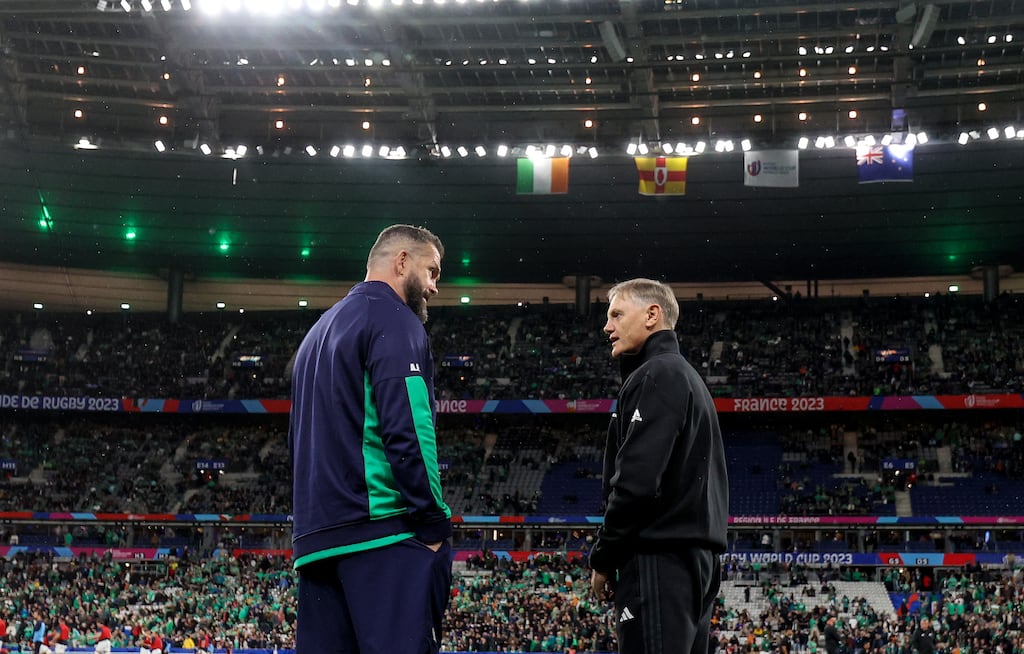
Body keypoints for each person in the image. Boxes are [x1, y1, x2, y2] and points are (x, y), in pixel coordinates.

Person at [290, 224, 453, 654]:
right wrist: (434, 523)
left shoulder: (317, 333)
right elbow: (410, 430)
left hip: (317, 538)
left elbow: (298, 438)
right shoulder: (396, 321)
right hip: (383, 535)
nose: (435, 287)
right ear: (402, 261)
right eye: (432, 271)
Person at [588, 278, 729, 654]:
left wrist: (604, 557)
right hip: (693, 563)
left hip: (659, 559)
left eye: (617, 314)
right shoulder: (685, 376)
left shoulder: (658, 374)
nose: (607, 326)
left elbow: (636, 482)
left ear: (652, 315)